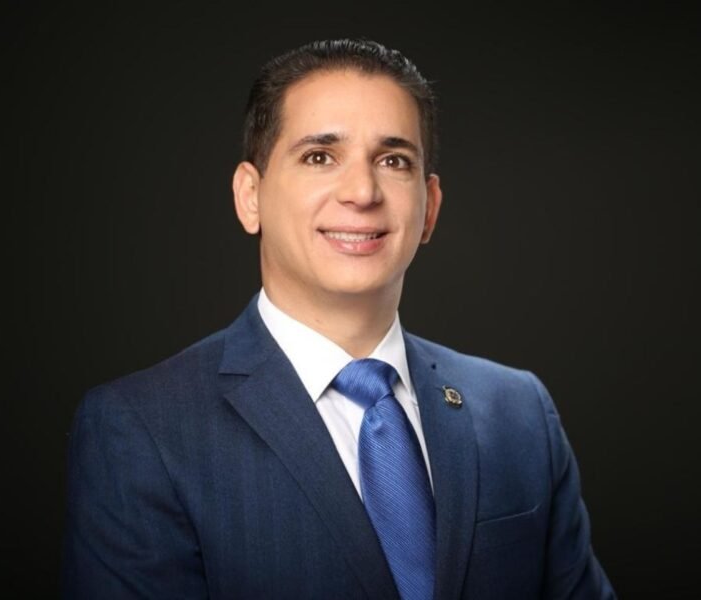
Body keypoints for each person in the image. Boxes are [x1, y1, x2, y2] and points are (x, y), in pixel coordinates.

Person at [62, 38, 616, 599]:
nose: (362, 192)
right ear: (250, 196)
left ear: (430, 207)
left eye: (393, 161)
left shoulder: (519, 412)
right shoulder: (141, 429)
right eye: (320, 157)